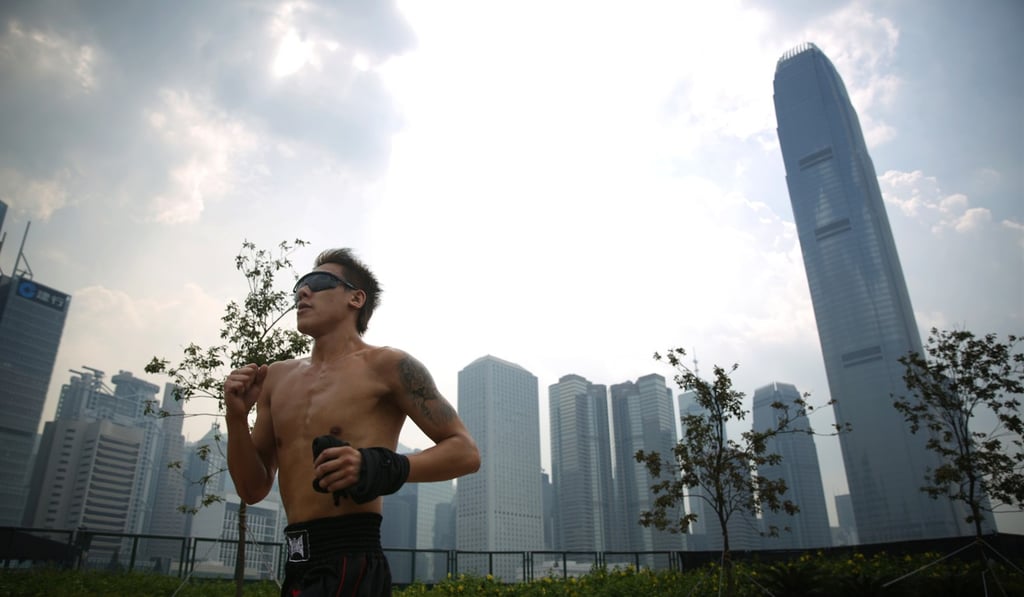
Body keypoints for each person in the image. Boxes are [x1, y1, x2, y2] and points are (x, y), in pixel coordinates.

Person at [224, 248, 480, 597]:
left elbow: (465, 452)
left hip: (354, 562)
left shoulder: (388, 365)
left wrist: (375, 465)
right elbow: (252, 490)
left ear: (356, 298)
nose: (302, 292)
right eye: (299, 285)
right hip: (296, 563)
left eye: (317, 282)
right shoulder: (276, 378)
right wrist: (236, 416)